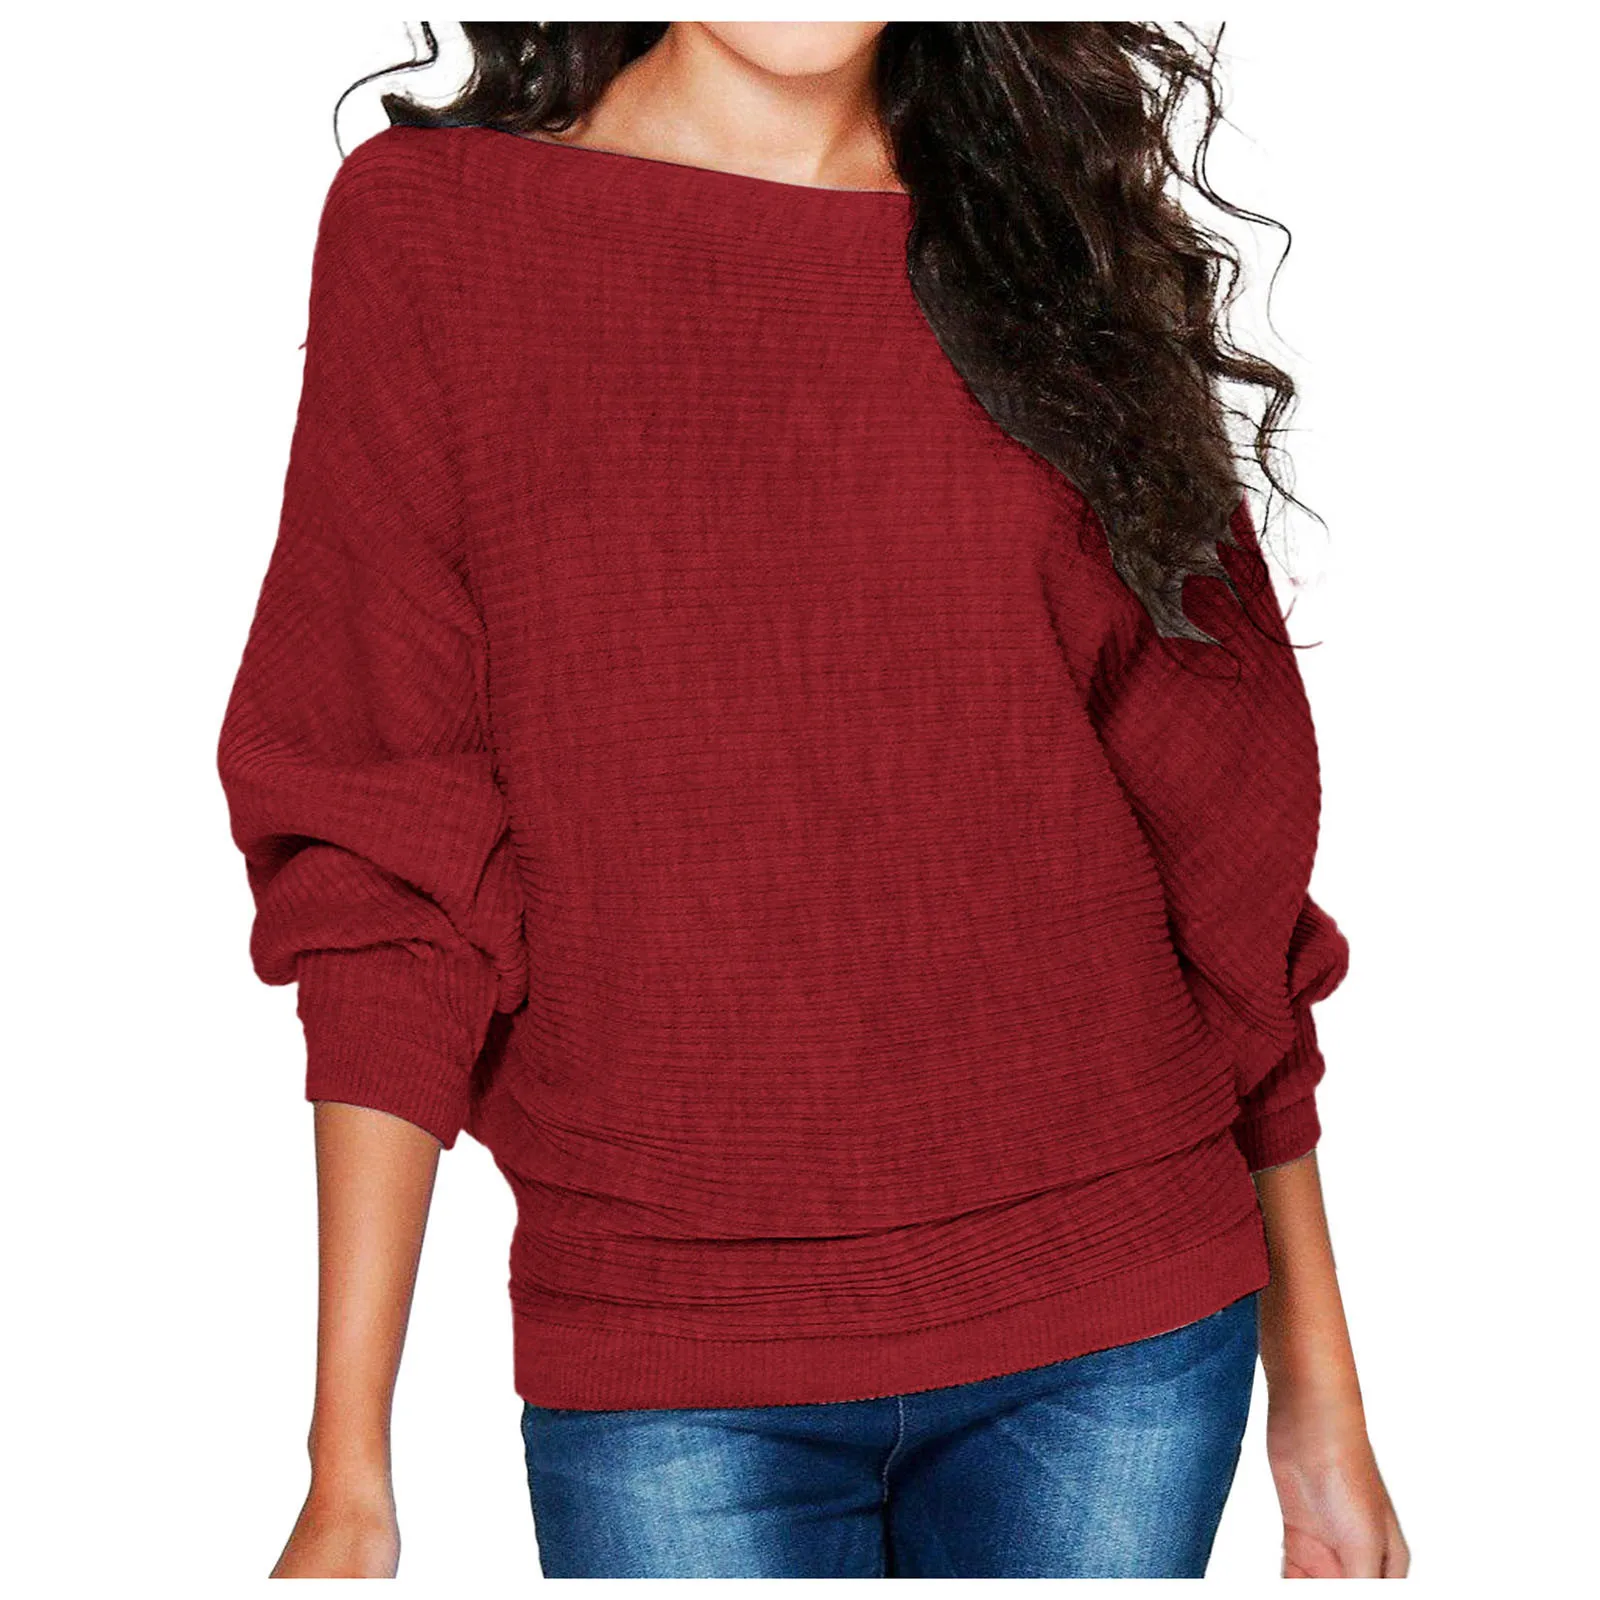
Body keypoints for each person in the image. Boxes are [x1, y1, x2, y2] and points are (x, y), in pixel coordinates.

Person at [215, 21, 1409, 1580]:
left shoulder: (1057, 241)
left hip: (1117, 1327)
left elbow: (1226, 873)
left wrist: (1318, 1391)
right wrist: (347, 1467)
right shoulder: (436, 234)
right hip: (672, 1345)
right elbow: (383, 852)